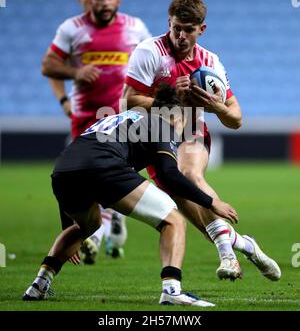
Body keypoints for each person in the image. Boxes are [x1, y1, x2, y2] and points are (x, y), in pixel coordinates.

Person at [22, 85, 239, 306]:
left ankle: (39, 284)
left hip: (63, 170)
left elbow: (77, 164)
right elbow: (169, 174)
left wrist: (67, 226)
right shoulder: (162, 124)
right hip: (105, 166)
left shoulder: (122, 117)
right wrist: (212, 203)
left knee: (88, 225)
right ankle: (172, 290)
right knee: (172, 220)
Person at [122, 0, 281, 281]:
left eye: (188, 29)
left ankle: (228, 257)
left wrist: (214, 105)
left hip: (191, 129)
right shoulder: (149, 52)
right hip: (156, 136)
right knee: (193, 211)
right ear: (168, 23)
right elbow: (128, 102)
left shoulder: (210, 63)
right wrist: (170, 95)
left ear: (202, 29)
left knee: (190, 175)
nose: (181, 36)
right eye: (175, 28)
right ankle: (245, 245)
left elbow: (236, 119)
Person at [43, 0, 151, 264]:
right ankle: (99, 225)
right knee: (76, 177)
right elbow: (49, 65)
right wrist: (75, 76)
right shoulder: (72, 28)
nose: (103, 3)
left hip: (118, 118)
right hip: (85, 117)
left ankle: (100, 227)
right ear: (88, 0)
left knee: (111, 174)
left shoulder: (135, 27)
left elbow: (151, 65)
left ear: (118, 0)